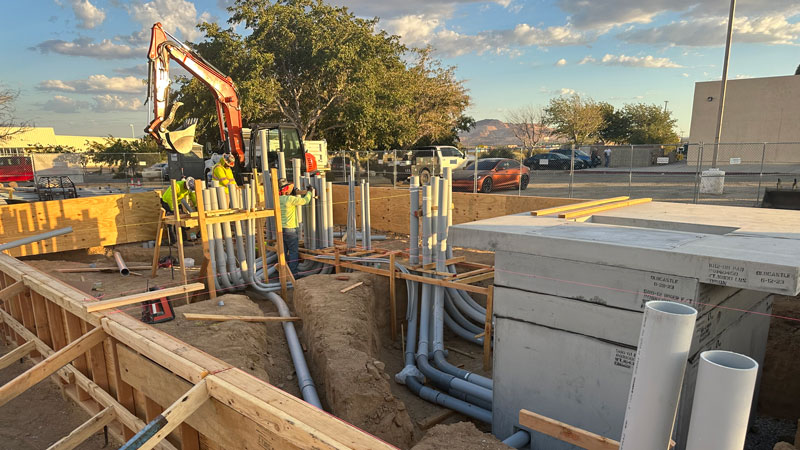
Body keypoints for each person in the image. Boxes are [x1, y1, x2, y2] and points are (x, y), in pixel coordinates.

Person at [278, 178, 313, 275]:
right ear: (285, 189)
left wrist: (292, 194)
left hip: (281, 229)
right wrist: (309, 192)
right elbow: (305, 201)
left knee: (283, 252)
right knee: (293, 252)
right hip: (290, 229)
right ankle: (293, 274)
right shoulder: (290, 199)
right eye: (288, 188)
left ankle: (283, 273)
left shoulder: (277, 199)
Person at [160, 177, 197, 242]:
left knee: (181, 219)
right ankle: (173, 241)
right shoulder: (177, 186)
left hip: (177, 201)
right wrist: (173, 210)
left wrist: (196, 206)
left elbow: (193, 197)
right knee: (171, 221)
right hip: (167, 202)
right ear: (185, 184)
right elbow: (169, 198)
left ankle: (184, 240)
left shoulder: (189, 189)